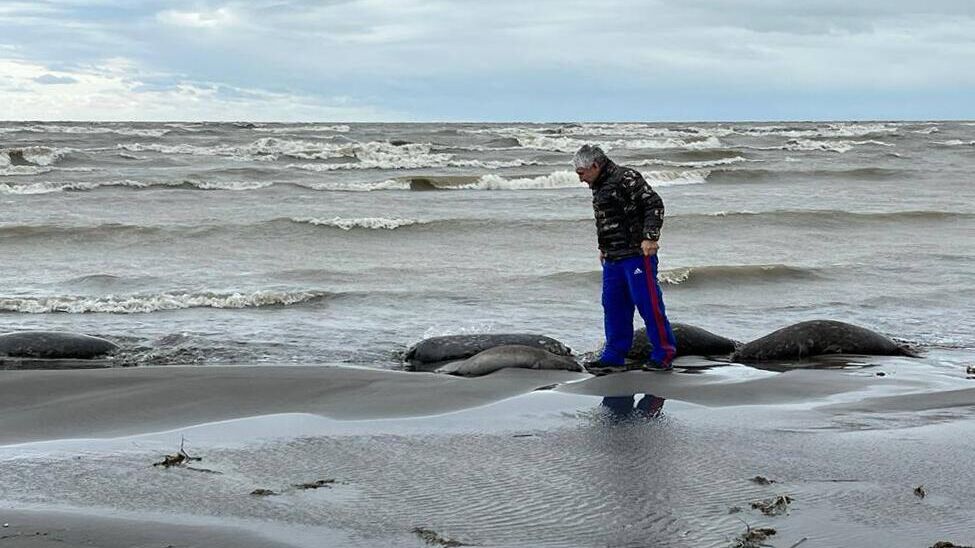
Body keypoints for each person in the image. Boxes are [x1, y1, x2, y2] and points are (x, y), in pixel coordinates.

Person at [574, 144, 677, 373]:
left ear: (594, 165)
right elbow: (606, 219)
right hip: (612, 257)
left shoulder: (626, 177)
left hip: (637, 254)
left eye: (581, 173)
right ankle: (614, 355)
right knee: (613, 306)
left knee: (648, 305)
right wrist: (603, 247)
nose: (581, 179)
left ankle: (664, 353)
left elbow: (654, 203)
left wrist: (650, 237)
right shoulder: (597, 184)